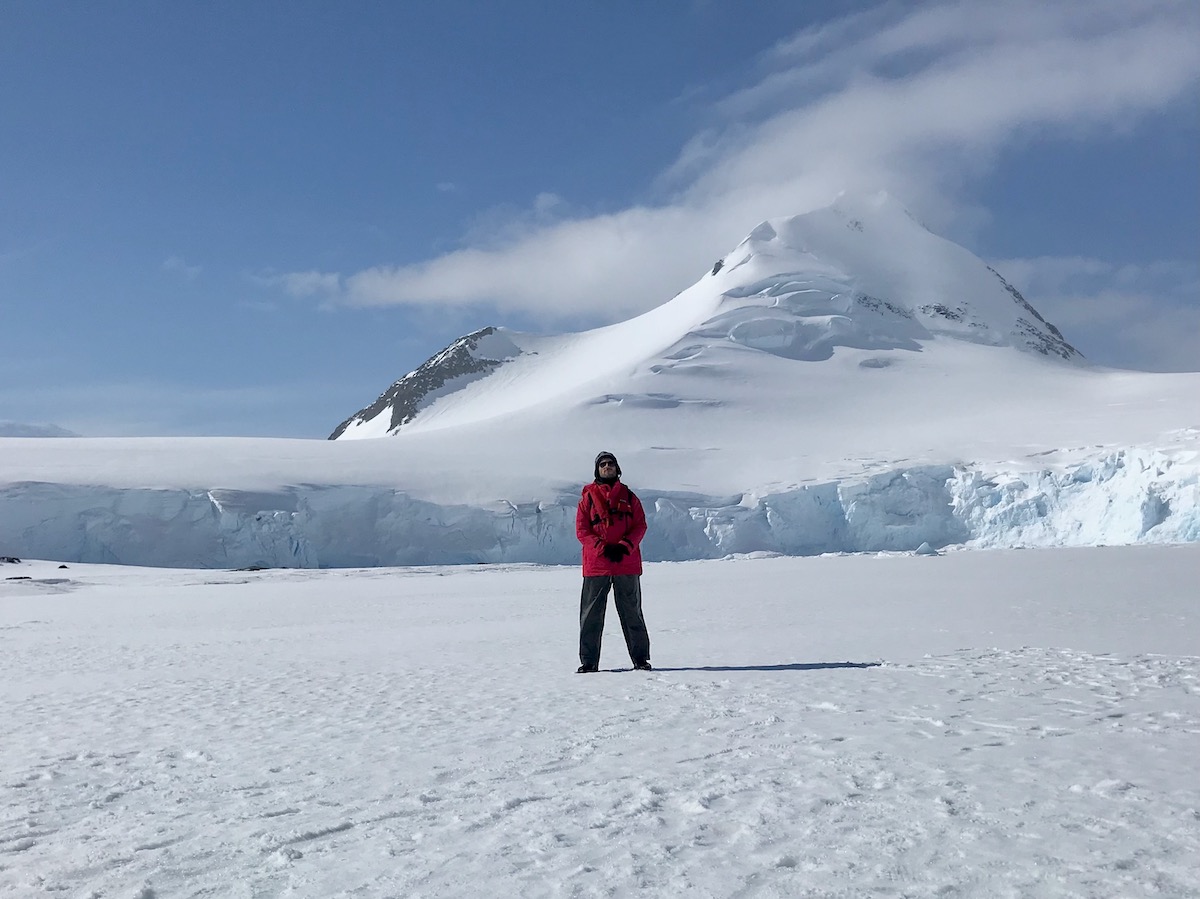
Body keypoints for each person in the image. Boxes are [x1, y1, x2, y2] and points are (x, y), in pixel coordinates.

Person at [575, 451, 651, 673]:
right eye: (603, 464)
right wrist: (602, 548)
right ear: (597, 470)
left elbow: (640, 525)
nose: (607, 467)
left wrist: (624, 546)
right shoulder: (587, 498)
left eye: (611, 464)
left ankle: (641, 660)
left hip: (625, 564)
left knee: (632, 613)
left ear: (617, 469)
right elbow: (582, 530)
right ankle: (588, 662)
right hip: (596, 565)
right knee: (590, 616)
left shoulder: (630, 497)